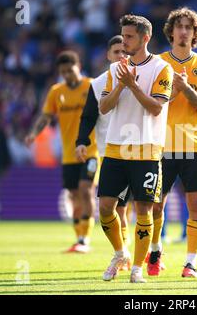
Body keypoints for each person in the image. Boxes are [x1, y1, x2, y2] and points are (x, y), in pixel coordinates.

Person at [98, 14, 173, 283]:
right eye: (123, 35)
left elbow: (155, 107)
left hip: (146, 149)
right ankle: (120, 252)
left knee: (144, 210)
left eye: (129, 36)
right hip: (116, 147)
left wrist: (133, 85)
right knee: (106, 207)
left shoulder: (162, 69)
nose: (124, 41)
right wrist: (121, 83)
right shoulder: (115, 70)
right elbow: (104, 107)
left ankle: (138, 267)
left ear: (145, 38)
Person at [149, 7, 197, 278]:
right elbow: (151, 105)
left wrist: (186, 88)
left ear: (195, 32)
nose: (184, 31)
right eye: (179, 26)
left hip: (193, 145)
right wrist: (173, 90)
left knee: (195, 204)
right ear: (171, 31)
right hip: (160, 145)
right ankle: (155, 253)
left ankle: (191, 262)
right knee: (156, 204)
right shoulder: (157, 64)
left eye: (189, 27)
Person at [25, 51, 98, 253]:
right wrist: (33, 133)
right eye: (63, 72)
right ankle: (79, 237)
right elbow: (46, 116)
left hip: (91, 150)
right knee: (74, 195)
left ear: (79, 66)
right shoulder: (56, 91)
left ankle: (85, 239)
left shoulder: (92, 86)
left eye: (70, 70)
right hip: (68, 154)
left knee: (85, 190)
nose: (67, 75)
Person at [75, 35, 132, 269]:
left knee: (128, 207)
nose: (121, 56)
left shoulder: (139, 79)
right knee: (117, 208)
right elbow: (89, 115)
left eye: (125, 51)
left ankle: (134, 253)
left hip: (135, 151)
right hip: (108, 153)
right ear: (108, 55)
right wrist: (81, 141)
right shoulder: (98, 84)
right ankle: (123, 252)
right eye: (116, 52)